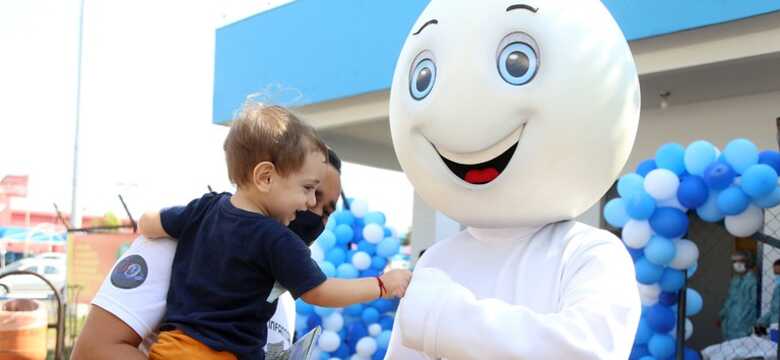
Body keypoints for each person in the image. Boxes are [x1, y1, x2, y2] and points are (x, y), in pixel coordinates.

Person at [135, 103, 410, 360]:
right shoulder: (275, 238)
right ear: (265, 177)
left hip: (169, 349)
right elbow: (320, 292)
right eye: (307, 188)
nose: (311, 202)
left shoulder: (204, 208)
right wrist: (382, 285)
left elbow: (149, 222)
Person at [72, 147, 343, 360]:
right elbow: (93, 352)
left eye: (327, 210)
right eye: (311, 192)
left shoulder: (286, 298)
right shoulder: (178, 242)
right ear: (269, 178)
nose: (313, 210)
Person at [719, 251, 758, 340]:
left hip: (744, 326)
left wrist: (747, 324)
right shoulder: (735, 279)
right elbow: (730, 298)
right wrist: (722, 315)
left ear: (749, 262)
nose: (737, 264)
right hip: (729, 324)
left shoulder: (753, 281)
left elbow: (754, 305)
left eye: (741, 261)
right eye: (734, 261)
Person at [755, 259, 780, 336]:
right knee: (758, 325)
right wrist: (761, 322)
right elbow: (774, 310)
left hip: (776, 323)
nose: (777, 276)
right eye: (775, 274)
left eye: (779, 273)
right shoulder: (777, 288)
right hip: (774, 319)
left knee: (775, 341)